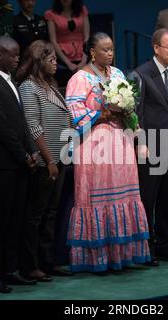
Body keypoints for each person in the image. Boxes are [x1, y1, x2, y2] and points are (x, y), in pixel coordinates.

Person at [65, 32, 151, 273]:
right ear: (93, 52)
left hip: (120, 142)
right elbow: (75, 112)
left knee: (123, 195)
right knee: (96, 197)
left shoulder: (118, 75)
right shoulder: (80, 78)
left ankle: (122, 254)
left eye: (112, 49)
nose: (110, 54)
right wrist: (101, 114)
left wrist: (131, 121)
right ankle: (96, 257)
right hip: (94, 144)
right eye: (105, 50)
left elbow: (130, 106)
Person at [0, 36, 39, 293]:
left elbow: (20, 122)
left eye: (18, 55)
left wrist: (33, 150)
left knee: (16, 220)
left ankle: (9, 269)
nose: (17, 59)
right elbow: (0, 127)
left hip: (19, 164)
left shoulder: (9, 80)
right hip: (2, 165)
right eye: (12, 55)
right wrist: (23, 155)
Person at [129, 29, 168, 265]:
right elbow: (134, 114)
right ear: (156, 48)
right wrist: (141, 143)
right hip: (152, 145)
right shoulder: (140, 74)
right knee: (149, 199)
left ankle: (166, 246)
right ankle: (147, 248)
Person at [16, 40, 74, 281]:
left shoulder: (50, 85)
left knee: (51, 212)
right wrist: (49, 160)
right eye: (51, 60)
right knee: (35, 215)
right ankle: (30, 265)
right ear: (39, 61)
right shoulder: (29, 87)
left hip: (59, 160)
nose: (56, 64)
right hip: (44, 162)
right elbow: (33, 127)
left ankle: (48, 261)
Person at [45, 0, 90, 87]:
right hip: (62, 62)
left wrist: (83, 61)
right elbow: (53, 41)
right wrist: (69, 64)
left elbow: (87, 37)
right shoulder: (51, 14)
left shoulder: (82, 11)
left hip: (83, 57)